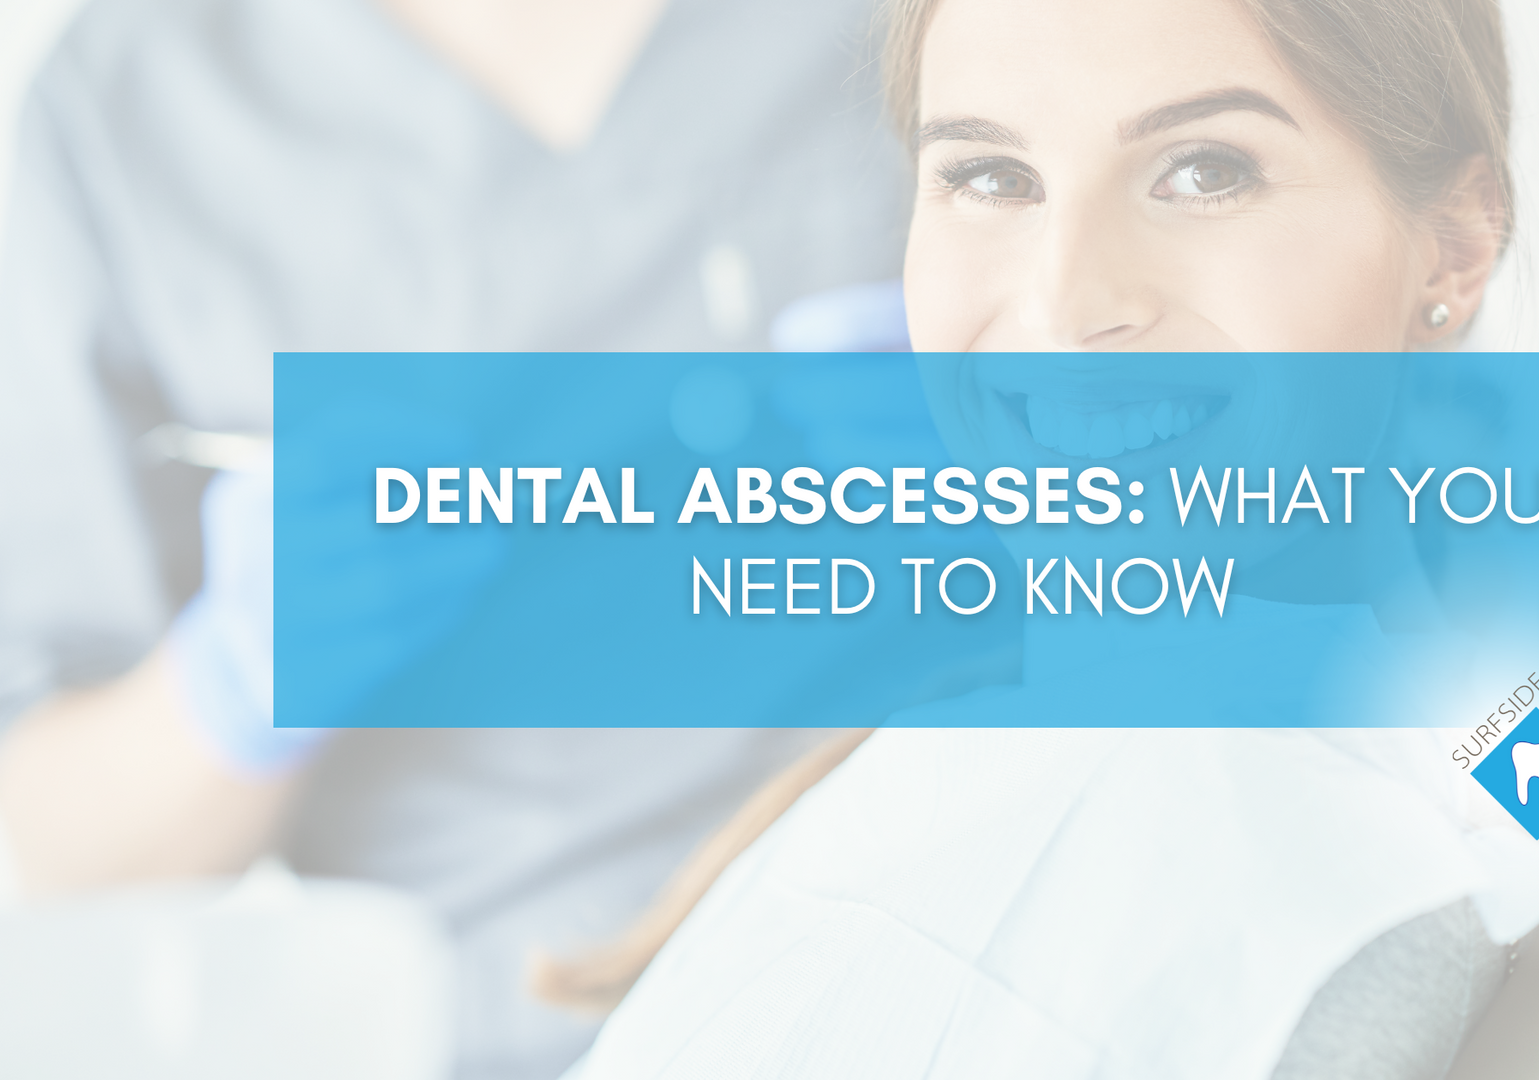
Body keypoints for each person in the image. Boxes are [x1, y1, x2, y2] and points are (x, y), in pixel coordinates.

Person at [555, 0, 1539, 1076]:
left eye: (1206, 170)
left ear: (1455, 242)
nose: (1064, 306)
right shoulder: (1404, 691)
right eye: (988, 175)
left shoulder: (1150, 810)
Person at [0, 0, 920, 1076]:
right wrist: (235, 682)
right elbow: (47, 850)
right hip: (525, 1024)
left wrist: (1045, 480)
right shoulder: (131, 106)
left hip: (982, 935)